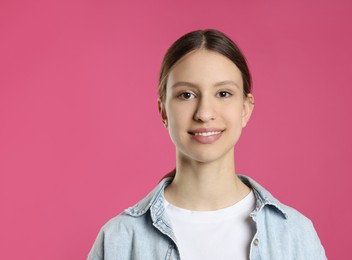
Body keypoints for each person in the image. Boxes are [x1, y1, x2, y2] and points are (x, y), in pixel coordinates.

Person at [87, 29, 327, 260]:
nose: (204, 113)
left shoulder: (295, 235)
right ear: (163, 111)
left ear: (245, 109)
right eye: (186, 95)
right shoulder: (119, 238)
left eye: (223, 93)